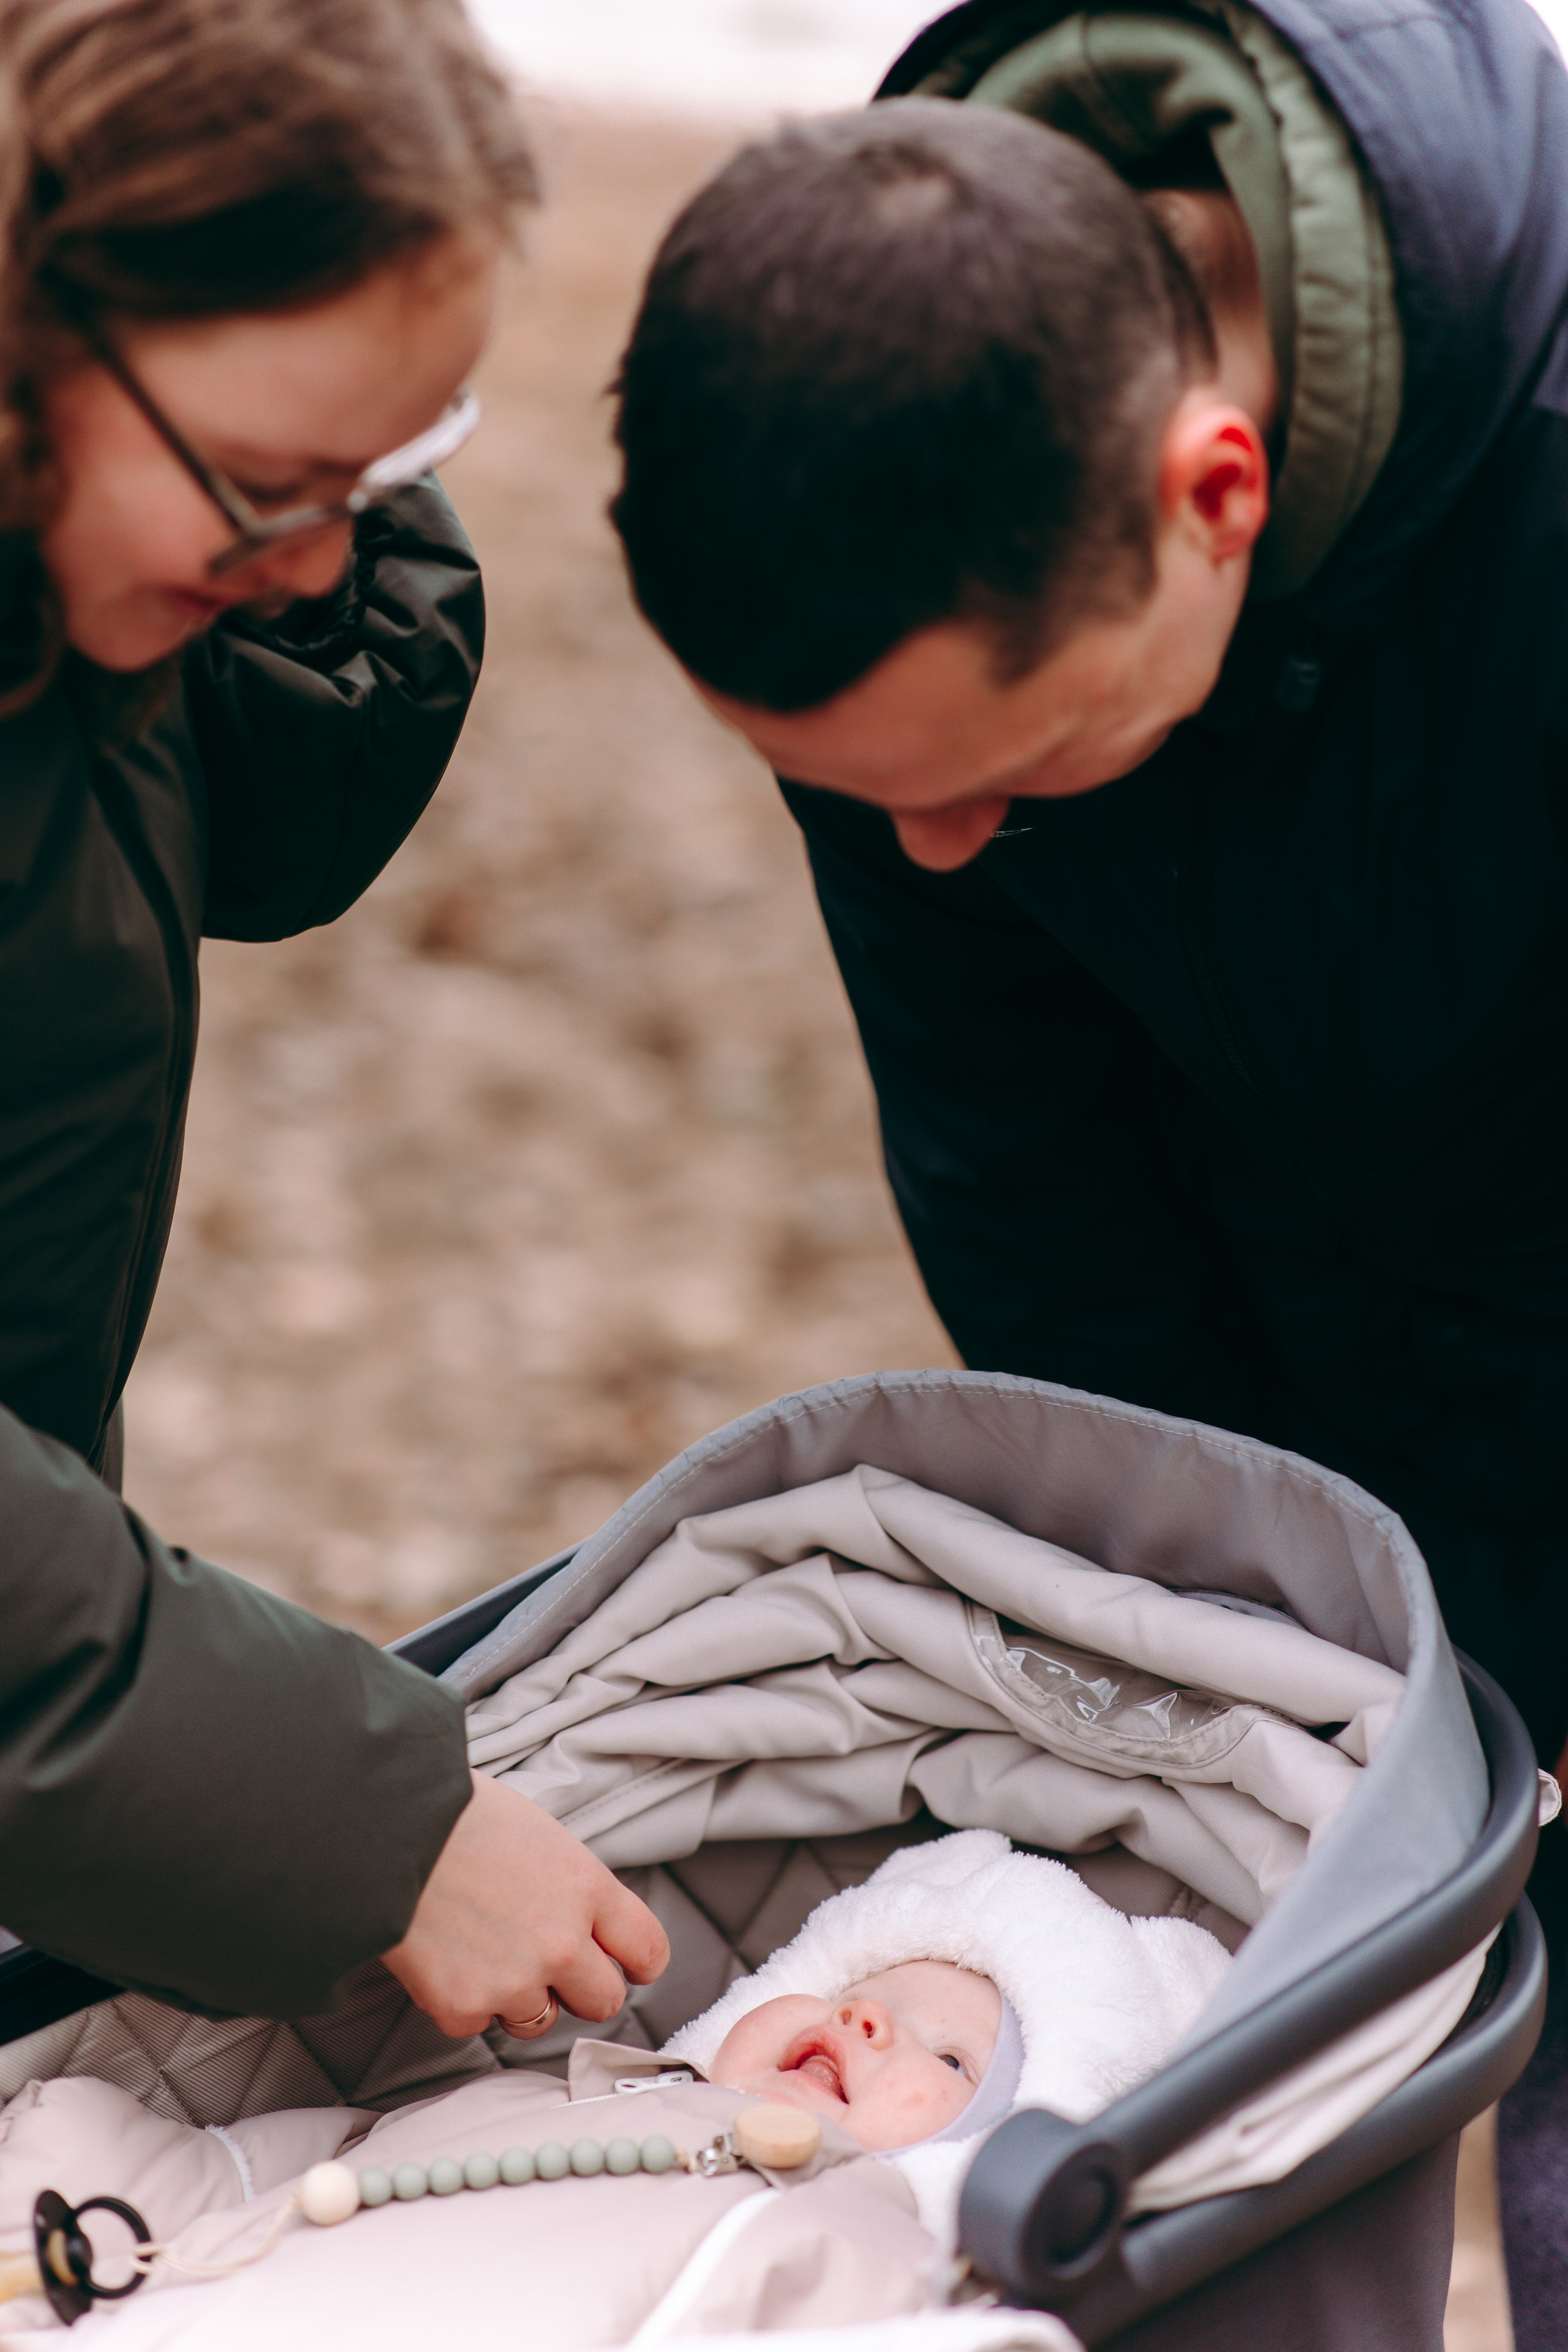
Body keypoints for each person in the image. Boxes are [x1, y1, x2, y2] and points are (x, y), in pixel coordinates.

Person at [607, 0, 1568, 2340]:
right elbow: (1019, 1144)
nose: (934, 851)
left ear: (1214, 498)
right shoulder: (878, 477)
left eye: (1016, 768)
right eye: (855, 792)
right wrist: (1258, 1620)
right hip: (1312, 1311)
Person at [0, 0, 665, 2048]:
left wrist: (330, 491)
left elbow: (289, 803)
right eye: (271, 488)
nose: (315, 572)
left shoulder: (90, 601)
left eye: (381, 479)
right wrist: (370, 1822)